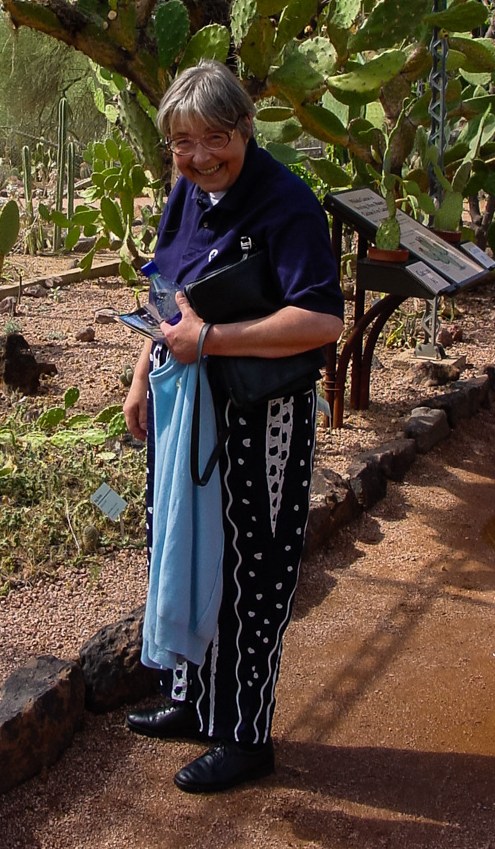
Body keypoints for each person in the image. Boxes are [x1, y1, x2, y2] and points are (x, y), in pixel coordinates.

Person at [123, 60, 345, 794]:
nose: (199, 157)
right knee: (186, 550)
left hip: (261, 415)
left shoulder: (288, 206)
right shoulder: (186, 193)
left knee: (253, 568)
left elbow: (322, 320)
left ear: (245, 129)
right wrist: (136, 382)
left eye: (214, 137)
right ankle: (192, 703)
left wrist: (211, 340)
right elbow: (164, 289)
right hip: (187, 407)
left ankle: (246, 735)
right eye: (182, 142)